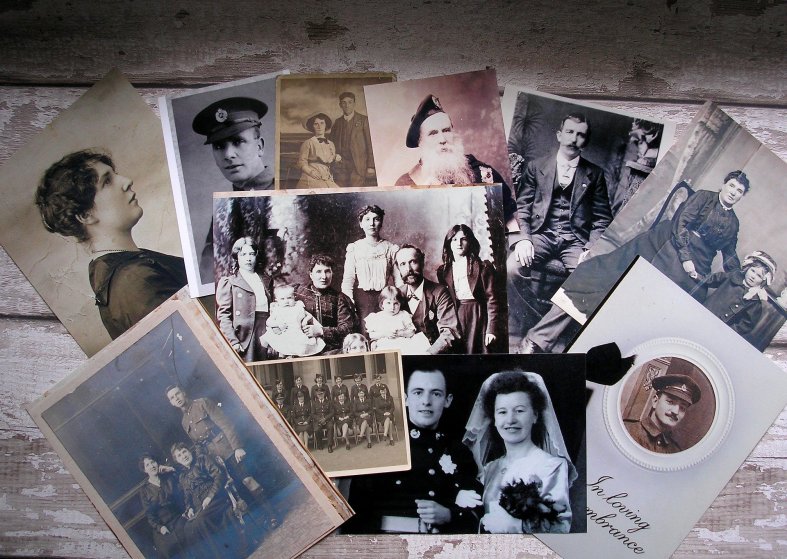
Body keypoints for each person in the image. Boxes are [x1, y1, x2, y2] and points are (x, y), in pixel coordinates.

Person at [520, 170, 751, 354]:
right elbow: (680, 224)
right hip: (668, 244)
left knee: (681, 308)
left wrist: (745, 276)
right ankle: (540, 339)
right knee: (602, 280)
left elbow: (730, 255)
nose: (733, 192)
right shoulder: (703, 196)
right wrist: (686, 259)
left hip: (698, 267)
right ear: (723, 185)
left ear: (742, 197)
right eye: (731, 186)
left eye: (739, 191)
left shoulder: (734, 223)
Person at [35, 150, 187, 340]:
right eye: (107, 181)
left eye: (115, 175)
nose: (127, 181)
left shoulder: (124, 268)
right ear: (86, 215)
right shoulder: (132, 281)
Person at [346, 369, 482, 533]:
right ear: (405, 399)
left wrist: (449, 515)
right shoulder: (380, 449)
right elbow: (356, 517)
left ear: (448, 400)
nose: (426, 401)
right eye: (418, 393)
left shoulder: (459, 452)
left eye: (436, 394)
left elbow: (477, 516)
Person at [463, 371, 576, 534]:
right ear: (494, 419)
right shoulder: (489, 469)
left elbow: (560, 527)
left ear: (535, 416)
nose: (510, 420)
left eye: (519, 411)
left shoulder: (552, 466)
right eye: (502, 412)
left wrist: (516, 525)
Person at [508, 112, 613, 278]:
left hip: (576, 242)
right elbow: (522, 207)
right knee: (511, 268)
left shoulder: (595, 174)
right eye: (569, 132)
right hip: (540, 236)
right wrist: (523, 239)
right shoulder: (536, 167)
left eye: (580, 135)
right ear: (559, 135)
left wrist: (591, 249)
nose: (573, 139)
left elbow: (602, 219)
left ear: (585, 141)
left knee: (589, 279)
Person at [394, 94, 515, 222]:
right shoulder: (406, 184)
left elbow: (510, 221)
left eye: (446, 130)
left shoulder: (483, 174)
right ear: (421, 142)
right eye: (433, 133)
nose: (442, 139)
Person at [192, 97, 273, 278]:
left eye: (238, 141)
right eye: (219, 146)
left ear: (259, 147)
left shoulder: (291, 189)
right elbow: (209, 273)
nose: (228, 154)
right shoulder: (225, 205)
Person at [165, 385, 262, 500]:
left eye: (177, 394)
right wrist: (203, 462)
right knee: (236, 488)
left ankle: (270, 510)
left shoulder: (202, 403)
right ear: (171, 403)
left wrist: (237, 447)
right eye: (172, 398)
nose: (176, 398)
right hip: (213, 457)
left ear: (183, 393)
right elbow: (197, 444)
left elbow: (226, 424)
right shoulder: (184, 422)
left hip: (227, 448)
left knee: (248, 480)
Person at [170, 442, 245, 558]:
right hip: (200, 507)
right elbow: (187, 496)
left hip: (216, 498)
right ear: (177, 460)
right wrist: (189, 508)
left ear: (189, 451)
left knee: (201, 521)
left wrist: (209, 497)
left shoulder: (202, 459)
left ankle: (224, 555)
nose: (183, 456)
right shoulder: (182, 477)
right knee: (188, 528)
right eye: (179, 455)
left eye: (184, 451)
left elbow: (219, 476)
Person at [437, 224, 502, 354]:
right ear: (449, 243)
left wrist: (491, 329)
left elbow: (492, 299)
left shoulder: (483, 267)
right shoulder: (443, 271)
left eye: (463, 239)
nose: (459, 243)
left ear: (470, 242)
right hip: (456, 316)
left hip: (478, 315)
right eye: (454, 239)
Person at [341, 205, 401, 331]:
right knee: (365, 333)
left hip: (385, 299)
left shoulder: (390, 248)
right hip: (361, 301)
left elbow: (398, 280)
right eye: (367, 219)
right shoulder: (355, 248)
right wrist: (349, 303)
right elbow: (348, 280)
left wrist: (400, 300)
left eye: (376, 219)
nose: (372, 224)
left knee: (385, 332)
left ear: (381, 223)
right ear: (361, 224)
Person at [215, 237, 272, 362]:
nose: (248, 258)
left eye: (251, 254)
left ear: (256, 255)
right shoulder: (230, 282)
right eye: (243, 254)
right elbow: (224, 315)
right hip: (244, 336)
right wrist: (233, 341)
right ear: (237, 257)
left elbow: (273, 308)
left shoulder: (266, 280)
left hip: (266, 331)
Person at [395, 245, 460, 354]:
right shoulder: (397, 294)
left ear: (422, 263)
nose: (408, 269)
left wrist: (428, 354)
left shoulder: (440, 292)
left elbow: (449, 331)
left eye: (413, 262)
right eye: (403, 264)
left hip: (433, 355)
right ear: (398, 268)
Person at [703, 250, 776, 346]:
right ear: (747, 268)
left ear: (763, 281)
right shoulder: (733, 276)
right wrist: (698, 277)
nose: (753, 276)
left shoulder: (755, 301)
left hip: (719, 329)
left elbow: (746, 324)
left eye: (759, 276)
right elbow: (714, 279)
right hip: (706, 312)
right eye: (752, 271)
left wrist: (728, 331)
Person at [624, 374, 702, 454]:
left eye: (682, 408)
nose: (675, 412)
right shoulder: (627, 431)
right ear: (655, 401)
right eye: (670, 402)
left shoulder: (676, 452)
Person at [294, 254, 356, 353]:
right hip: (302, 348)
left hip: (331, 350)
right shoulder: (297, 294)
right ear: (311, 274)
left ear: (332, 273)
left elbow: (347, 329)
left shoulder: (340, 298)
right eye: (318, 271)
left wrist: (321, 331)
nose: (323, 277)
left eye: (327, 271)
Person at [138, 453, 186, 559]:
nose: (152, 466)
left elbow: (184, 482)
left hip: (178, 517)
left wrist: (171, 469)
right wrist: (160, 527)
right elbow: (150, 515)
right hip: (162, 525)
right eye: (147, 465)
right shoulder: (144, 490)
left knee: (187, 535)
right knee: (168, 549)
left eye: (153, 462)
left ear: (157, 463)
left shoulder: (168, 477)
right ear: (145, 470)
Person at [261, 283, 323, 356]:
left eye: (289, 298)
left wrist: (305, 320)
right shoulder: (277, 309)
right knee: (282, 345)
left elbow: (309, 315)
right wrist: (278, 324)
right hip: (284, 332)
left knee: (302, 346)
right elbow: (268, 322)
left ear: (294, 297)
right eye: (282, 299)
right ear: (276, 300)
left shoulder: (298, 306)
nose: (286, 301)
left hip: (297, 332)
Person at [329, 91, 376, 187]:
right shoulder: (337, 122)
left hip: (358, 165)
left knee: (355, 190)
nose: (347, 105)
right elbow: (330, 143)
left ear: (354, 103)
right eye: (344, 103)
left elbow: (370, 143)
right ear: (340, 105)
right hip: (340, 166)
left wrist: (371, 165)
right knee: (340, 190)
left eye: (350, 102)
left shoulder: (364, 120)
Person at [365, 286, 429, 354]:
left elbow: (412, 331)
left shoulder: (403, 315)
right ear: (382, 304)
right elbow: (372, 335)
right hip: (385, 344)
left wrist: (401, 333)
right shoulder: (377, 317)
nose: (392, 307)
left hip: (402, 343)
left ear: (400, 304)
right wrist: (384, 334)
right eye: (388, 303)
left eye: (396, 303)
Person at [296, 112, 340, 188]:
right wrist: (311, 172)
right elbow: (301, 163)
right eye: (316, 124)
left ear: (326, 125)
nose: (319, 126)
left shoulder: (331, 144)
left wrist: (336, 158)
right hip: (311, 176)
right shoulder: (308, 142)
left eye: (322, 123)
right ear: (312, 126)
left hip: (327, 177)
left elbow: (330, 163)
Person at [312, 386, 335, 452]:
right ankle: (320, 444)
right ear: (317, 395)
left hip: (327, 420)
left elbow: (332, 412)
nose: (320, 395)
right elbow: (313, 414)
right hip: (318, 421)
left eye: (321, 394)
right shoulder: (314, 403)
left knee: (330, 427)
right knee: (317, 429)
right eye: (318, 394)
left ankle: (329, 446)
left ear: (324, 394)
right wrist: (319, 419)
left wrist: (325, 418)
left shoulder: (329, 402)